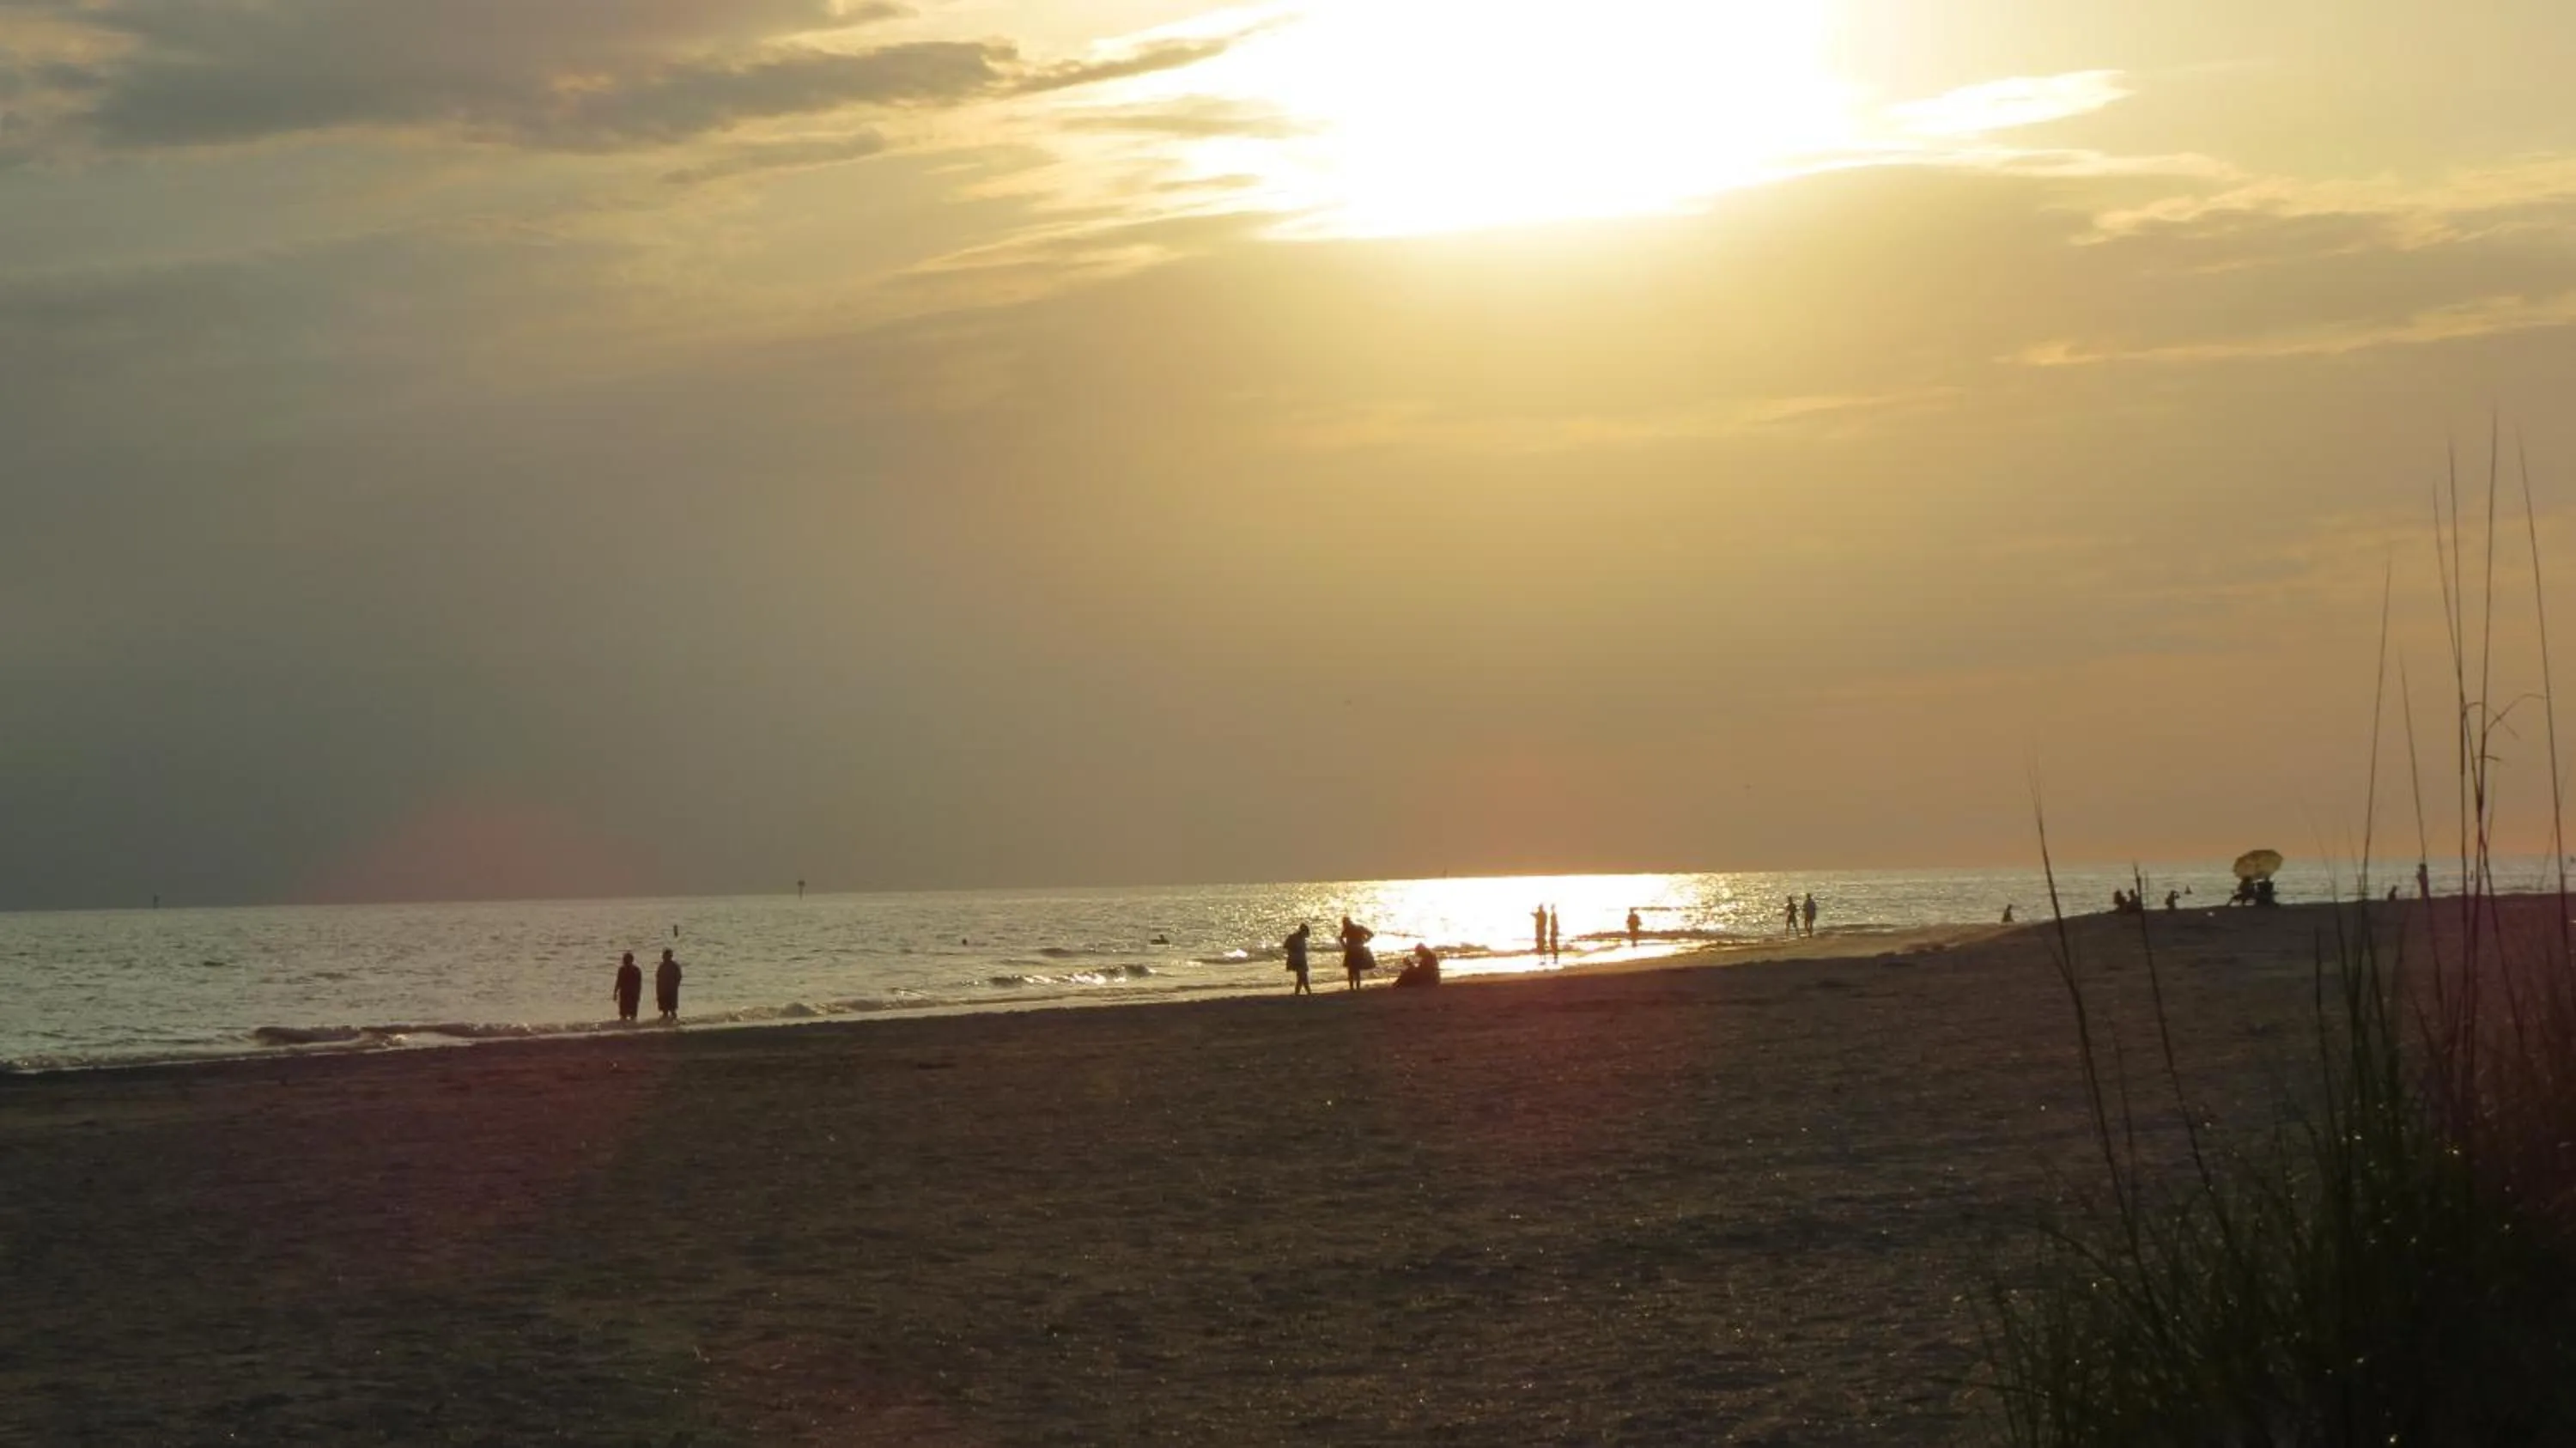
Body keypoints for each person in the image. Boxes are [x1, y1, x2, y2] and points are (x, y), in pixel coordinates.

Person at [1340, 916, 1376, 992]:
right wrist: (1365, 941)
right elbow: (1371, 934)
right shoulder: (1359, 927)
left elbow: (1341, 938)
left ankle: (1352, 988)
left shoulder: (1347, 929)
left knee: (1351, 970)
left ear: (1345, 923)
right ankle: (1357, 987)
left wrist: (1344, 946)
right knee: (1357, 969)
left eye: (1344, 923)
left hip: (1351, 950)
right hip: (1359, 949)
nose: (1343, 925)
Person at [612, 951, 642, 1022]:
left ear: (631, 960)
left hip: (632, 994)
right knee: (623, 1014)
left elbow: (639, 984)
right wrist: (615, 993)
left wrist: (638, 994)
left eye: (626, 960)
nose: (625, 961)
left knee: (633, 1014)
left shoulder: (636, 970)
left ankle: (633, 1027)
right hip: (624, 994)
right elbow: (618, 982)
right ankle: (625, 1026)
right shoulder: (622, 970)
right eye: (624, 960)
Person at [655, 947, 683, 1022]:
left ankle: (674, 1019)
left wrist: (675, 985)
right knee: (664, 1008)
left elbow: (679, 977)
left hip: (671, 990)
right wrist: (658, 990)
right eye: (664, 956)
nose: (664, 957)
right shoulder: (662, 966)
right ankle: (666, 1019)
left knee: (672, 1008)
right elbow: (658, 978)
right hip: (663, 990)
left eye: (666, 956)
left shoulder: (674, 966)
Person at [1285, 922, 1312, 996]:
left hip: (1302, 959)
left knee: (1301, 978)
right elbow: (1286, 946)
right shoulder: (1293, 937)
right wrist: (1293, 949)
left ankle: (1297, 993)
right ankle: (1309, 992)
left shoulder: (1302, 939)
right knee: (1303, 976)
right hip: (1296, 960)